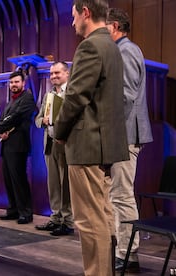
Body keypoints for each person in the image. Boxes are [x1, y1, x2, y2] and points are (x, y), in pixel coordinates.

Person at [53, 1, 129, 275]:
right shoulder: (111, 46)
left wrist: (59, 132)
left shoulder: (90, 45)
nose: (72, 23)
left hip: (87, 145)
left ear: (86, 12)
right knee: (103, 215)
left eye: (74, 16)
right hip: (104, 145)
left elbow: (75, 98)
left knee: (88, 220)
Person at [106, 8, 153, 273]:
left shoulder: (126, 50)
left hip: (125, 134)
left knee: (122, 196)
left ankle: (128, 253)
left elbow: (125, 96)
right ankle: (126, 251)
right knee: (118, 194)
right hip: (123, 133)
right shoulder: (123, 50)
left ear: (114, 27)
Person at [35, 62, 74, 236]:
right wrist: (42, 120)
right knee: (53, 185)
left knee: (65, 184)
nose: (53, 76)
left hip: (66, 145)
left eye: (57, 73)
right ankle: (55, 217)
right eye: (51, 74)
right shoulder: (48, 94)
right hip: (50, 144)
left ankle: (68, 221)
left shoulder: (72, 93)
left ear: (67, 73)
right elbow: (38, 118)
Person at [0, 70, 36, 224]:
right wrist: (1, 131)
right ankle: (13, 210)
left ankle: (26, 212)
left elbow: (17, 116)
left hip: (19, 145)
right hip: (7, 145)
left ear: (23, 83)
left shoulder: (27, 98)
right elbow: (4, 119)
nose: (13, 85)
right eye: (11, 83)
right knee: (8, 179)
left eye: (16, 82)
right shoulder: (10, 102)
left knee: (19, 180)